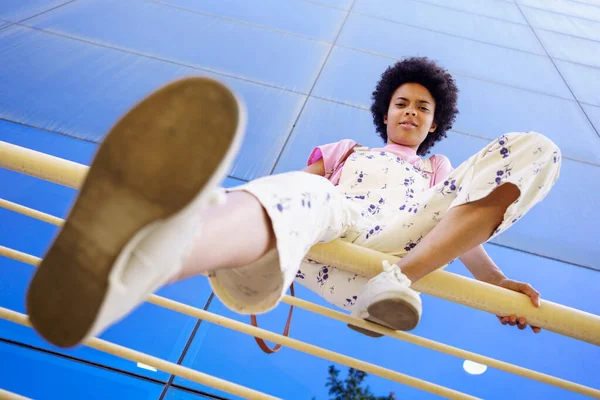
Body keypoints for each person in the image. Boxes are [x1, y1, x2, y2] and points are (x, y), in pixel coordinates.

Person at [27, 57, 561, 348]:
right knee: (306, 190)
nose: (411, 112)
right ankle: (134, 269)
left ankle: (396, 282)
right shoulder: (344, 151)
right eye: (402, 103)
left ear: (434, 121)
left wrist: (495, 286)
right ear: (385, 111)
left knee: (537, 147)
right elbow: (287, 192)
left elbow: (459, 230)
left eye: (422, 108)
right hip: (331, 228)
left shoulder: (437, 172)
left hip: (399, 256)